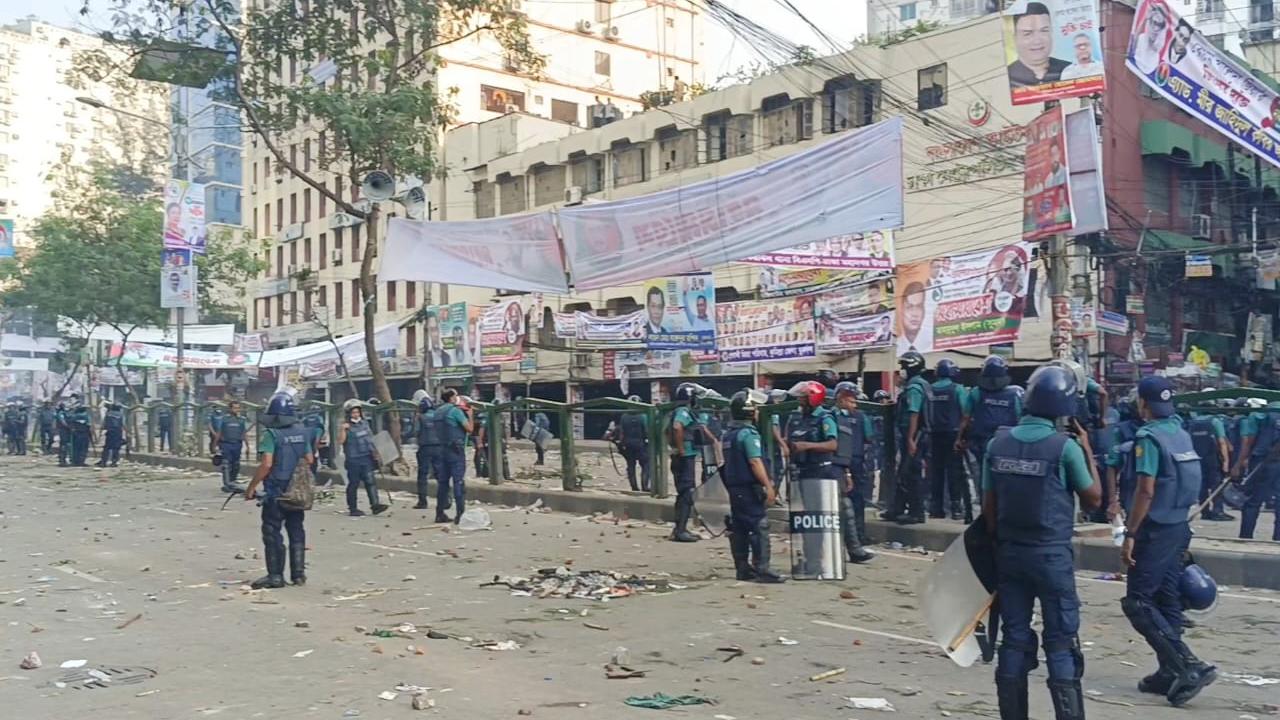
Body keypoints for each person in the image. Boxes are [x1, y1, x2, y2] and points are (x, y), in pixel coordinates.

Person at [983, 365, 1101, 720]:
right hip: (1051, 556)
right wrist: (1088, 451)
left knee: (1015, 638)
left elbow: (989, 511)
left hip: (1011, 554)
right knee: (1061, 642)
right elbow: (1093, 498)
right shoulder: (1065, 448)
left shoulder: (996, 443)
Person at [1121, 376, 1217, 706]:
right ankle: (1167, 672)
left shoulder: (1147, 438)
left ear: (1143, 403)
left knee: (1138, 602)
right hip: (1179, 527)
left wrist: (1130, 533)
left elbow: (1145, 490)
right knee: (1166, 600)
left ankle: (1188, 665)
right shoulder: (1180, 432)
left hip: (1155, 530)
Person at [244, 391, 312, 589]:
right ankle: (298, 575)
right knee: (296, 530)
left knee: (272, 531)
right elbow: (309, 459)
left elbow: (266, 464)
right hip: (298, 490)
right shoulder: (302, 432)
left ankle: (275, 576)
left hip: (276, 491)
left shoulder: (271, 435)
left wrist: (251, 487)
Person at [721, 389, 784, 583]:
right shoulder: (748, 434)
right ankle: (762, 568)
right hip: (749, 487)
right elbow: (755, 462)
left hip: (734, 487)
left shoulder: (729, 435)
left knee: (739, 527)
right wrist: (769, 486)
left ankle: (743, 568)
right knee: (759, 526)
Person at [883, 352, 931, 525]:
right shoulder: (920, 384)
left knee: (911, 474)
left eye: (903, 367)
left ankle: (916, 513)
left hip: (914, 436)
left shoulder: (914, 388)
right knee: (904, 472)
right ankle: (897, 509)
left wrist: (911, 439)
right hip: (916, 435)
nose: (901, 371)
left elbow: (914, 414)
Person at [958, 355, 1023, 475]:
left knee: (984, 474)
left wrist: (959, 438)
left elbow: (965, 418)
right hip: (1009, 441)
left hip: (982, 442)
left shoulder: (976, 392)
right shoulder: (1016, 393)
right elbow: (1022, 418)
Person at [832, 381, 875, 560]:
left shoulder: (834, 416)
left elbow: (869, 437)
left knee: (854, 502)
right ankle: (853, 540)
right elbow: (869, 437)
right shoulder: (853, 417)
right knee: (847, 503)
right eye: (850, 400)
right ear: (841, 399)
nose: (853, 404)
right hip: (843, 463)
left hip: (849, 463)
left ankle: (856, 538)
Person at [1230, 399, 1280, 540]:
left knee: (1253, 502)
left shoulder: (1259, 415)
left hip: (1261, 462)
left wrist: (1238, 464)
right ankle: (1278, 538)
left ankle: (1246, 536)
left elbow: (1247, 442)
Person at [930, 359, 969, 521]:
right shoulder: (957, 389)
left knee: (936, 472)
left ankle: (936, 508)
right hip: (953, 435)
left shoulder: (929, 389)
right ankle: (956, 508)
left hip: (933, 435)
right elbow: (966, 414)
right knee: (954, 472)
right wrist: (961, 437)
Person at [668, 382, 704, 542]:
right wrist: (681, 449)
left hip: (681, 456)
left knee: (683, 493)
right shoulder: (683, 411)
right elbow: (677, 427)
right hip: (685, 457)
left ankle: (679, 529)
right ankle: (680, 531)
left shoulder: (675, 410)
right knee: (687, 493)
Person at [338, 402, 387, 517]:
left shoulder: (364, 424)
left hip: (366, 457)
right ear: (349, 414)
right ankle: (353, 508)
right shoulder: (346, 426)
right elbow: (340, 441)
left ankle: (375, 505)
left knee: (370, 482)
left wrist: (376, 453)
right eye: (353, 412)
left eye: (357, 412)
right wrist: (343, 430)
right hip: (353, 459)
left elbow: (370, 439)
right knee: (353, 484)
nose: (356, 414)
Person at [1007, 1, 1070, 87]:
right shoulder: (1007, 76)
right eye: (1028, 33)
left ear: (1051, 32)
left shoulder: (1070, 70)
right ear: (1015, 37)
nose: (1037, 41)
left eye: (1044, 31)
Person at [435, 389, 473, 524]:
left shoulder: (438, 411)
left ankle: (439, 513)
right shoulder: (455, 411)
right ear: (451, 398)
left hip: (441, 449)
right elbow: (469, 429)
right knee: (458, 482)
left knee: (443, 483)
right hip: (455, 451)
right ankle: (460, 514)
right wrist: (470, 415)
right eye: (456, 396)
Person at [1187, 410, 1233, 522]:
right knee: (1216, 485)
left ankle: (1205, 512)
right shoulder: (1215, 421)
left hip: (1197, 458)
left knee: (1202, 486)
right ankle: (1218, 511)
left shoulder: (1193, 422)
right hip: (1212, 458)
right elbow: (1221, 442)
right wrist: (1226, 462)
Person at [617, 396, 651, 492]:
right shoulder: (643, 416)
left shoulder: (624, 416)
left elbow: (622, 433)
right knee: (646, 465)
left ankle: (634, 487)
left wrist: (622, 444)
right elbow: (647, 431)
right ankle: (645, 486)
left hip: (628, 444)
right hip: (641, 444)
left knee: (630, 466)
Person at [214, 400, 249, 493]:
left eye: (238, 408)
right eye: (234, 408)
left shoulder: (241, 420)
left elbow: (244, 433)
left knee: (236, 464)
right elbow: (219, 433)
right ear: (230, 409)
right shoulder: (224, 419)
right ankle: (227, 484)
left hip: (237, 444)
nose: (236, 410)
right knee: (226, 464)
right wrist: (215, 445)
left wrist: (248, 446)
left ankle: (233, 482)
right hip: (226, 444)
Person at [414, 392, 441, 510]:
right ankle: (445, 499)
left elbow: (416, 431)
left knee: (422, 475)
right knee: (441, 475)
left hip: (425, 448)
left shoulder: (420, 417)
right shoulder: (438, 415)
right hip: (439, 448)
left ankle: (422, 501)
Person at [1132, 1, 1170, 75]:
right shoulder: (1142, 38)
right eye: (1153, 22)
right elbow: (1134, 44)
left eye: (1159, 24)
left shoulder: (1158, 44)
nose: (1155, 28)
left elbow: (1156, 47)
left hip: (1147, 72)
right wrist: (1146, 18)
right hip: (1135, 67)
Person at [97, 402, 126, 468]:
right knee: (116, 448)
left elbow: (104, 424)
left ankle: (104, 462)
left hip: (110, 432)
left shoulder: (108, 414)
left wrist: (102, 432)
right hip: (118, 432)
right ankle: (114, 462)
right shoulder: (121, 415)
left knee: (107, 447)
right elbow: (123, 424)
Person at [68, 398, 93, 467]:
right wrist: (90, 436)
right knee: (83, 449)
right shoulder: (86, 417)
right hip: (84, 434)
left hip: (76, 434)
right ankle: (81, 461)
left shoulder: (74, 416)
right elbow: (88, 426)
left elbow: (71, 426)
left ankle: (75, 461)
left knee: (75, 448)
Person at [56, 401, 72, 466]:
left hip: (66, 430)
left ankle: (63, 459)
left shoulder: (66, 413)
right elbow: (63, 422)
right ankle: (62, 460)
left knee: (65, 445)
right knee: (63, 445)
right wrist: (69, 427)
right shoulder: (61, 413)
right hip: (63, 430)